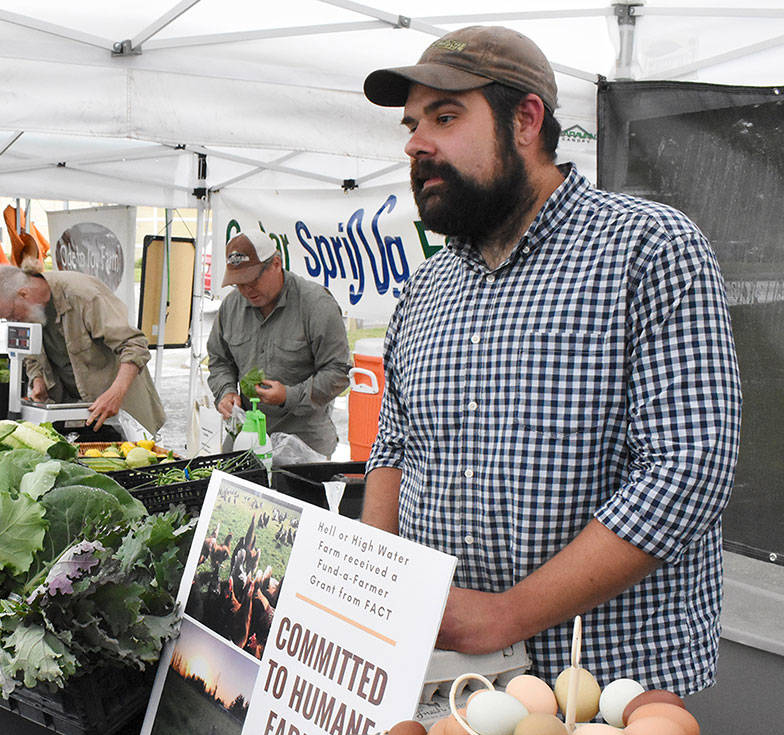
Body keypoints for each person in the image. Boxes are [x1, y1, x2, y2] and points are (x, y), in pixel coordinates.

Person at [360, 26, 741, 695]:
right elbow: (392, 451)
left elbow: (689, 470)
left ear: (527, 120)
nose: (417, 143)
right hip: (446, 677)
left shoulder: (647, 249)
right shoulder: (427, 287)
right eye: (413, 124)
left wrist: (505, 616)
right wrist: (376, 589)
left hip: (605, 687)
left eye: (446, 117)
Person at [0, 263, 166, 434]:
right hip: (78, 413)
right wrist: (38, 379)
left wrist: (115, 393)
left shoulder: (84, 295)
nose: (12, 321)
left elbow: (134, 345)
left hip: (123, 409)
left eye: (12, 315)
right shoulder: (29, 311)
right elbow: (32, 356)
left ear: (24, 294)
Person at [207, 231, 351, 455]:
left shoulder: (316, 304)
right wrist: (226, 392)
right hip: (246, 439)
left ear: (276, 264)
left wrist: (288, 396)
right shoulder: (231, 306)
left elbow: (339, 372)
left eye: (252, 280)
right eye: (238, 284)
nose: (246, 290)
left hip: (304, 446)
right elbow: (219, 360)